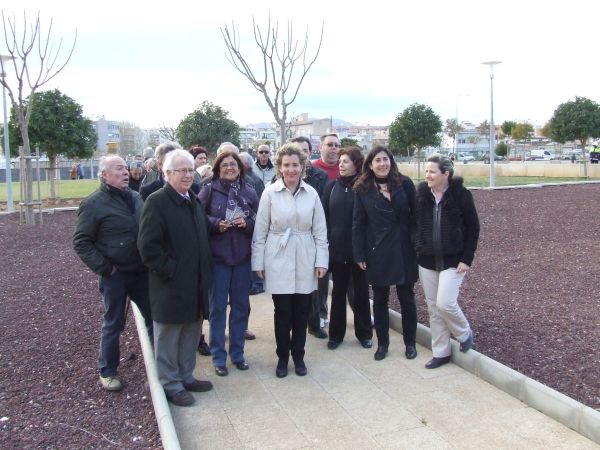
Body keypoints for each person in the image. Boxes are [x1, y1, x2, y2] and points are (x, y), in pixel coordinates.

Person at [137, 149, 214, 407]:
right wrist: (171, 270)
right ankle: (170, 384)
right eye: (182, 170)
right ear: (167, 173)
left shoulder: (193, 200)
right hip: (170, 284)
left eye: (191, 170)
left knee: (191, 331)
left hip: (195, 283)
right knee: (169, 336)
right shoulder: (157, 202)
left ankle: (185, 375)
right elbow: (148, 248)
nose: (188, 175)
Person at [73, 155, 153, 392]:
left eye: (126, 168)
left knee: (154, 317)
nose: (126, 172)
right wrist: (106, 268)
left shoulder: (137, 198)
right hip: (115, 275)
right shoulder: (93, 204)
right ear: (104, 174)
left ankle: (160, 366)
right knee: (113, 323)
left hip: (141, 272)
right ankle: (107, 371)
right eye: (119, 169)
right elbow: (81, 242)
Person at [252, 143, 328, 378]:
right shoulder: (269, 193)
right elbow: (260, 229)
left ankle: (299, 355)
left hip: (305, 253)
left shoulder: (312, 193)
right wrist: (258, 262)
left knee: (302, 310)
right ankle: (283, 357)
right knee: (282, 310)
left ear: (303, 166)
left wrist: (321, 261)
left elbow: (320, 230)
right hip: (278, 254)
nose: (291, 169)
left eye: (295, 165)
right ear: (280, 167)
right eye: (287, 165)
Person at [353, 146, 418, 362]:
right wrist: (359, 254)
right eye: (377, 160)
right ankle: (382, 344)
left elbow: (416, 216)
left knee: (407, 298)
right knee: (380, 300)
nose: (382, 164)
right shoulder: (362, 189)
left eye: (385, 159)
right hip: (377, 249)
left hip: (403, 248)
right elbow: (358, 224)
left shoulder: (405, 183)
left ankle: (410, 342)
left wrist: (416, 242)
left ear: (391, 161)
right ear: (370, 165)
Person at [415, 155, 480, 369]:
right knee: (434, 308)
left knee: (445, 302)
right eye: (426, 172)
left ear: (446, 174)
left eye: (432, 172)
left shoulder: (461, 195)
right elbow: (412, 224)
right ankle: (441, 352)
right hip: (427, 260)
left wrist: (466, 258)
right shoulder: (422, 195)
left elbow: (473, 228)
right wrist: (417, 244)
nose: (428, 176)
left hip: (454, 260)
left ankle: (464, 333)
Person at [198, 151, 259, 376]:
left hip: (242, 258)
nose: (230, 168)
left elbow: (259, 218)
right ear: (217, 168)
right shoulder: (208, 189)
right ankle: (218, 357)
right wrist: (215, 224)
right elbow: (198, 216)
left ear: (240, 168)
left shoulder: (249, 191)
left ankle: (238, 354)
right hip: (219, 259)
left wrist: (248, 223)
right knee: (217, 310)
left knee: (241, 308)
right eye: (225, 165)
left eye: (234, 164)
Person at [322, 146, 372, 350]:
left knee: (360, 294)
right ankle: (335, 335)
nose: (340, 164)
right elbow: (323, 218)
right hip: (337, 251)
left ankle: (364, 334)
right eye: (340, 161)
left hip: (359, 252)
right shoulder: (331, 187)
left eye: (345, 161)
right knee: (338, 294)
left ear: (356, 164)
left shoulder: (365, 188)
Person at [290, 136, 329, 339]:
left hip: (311, 237)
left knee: (314, 286)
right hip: (288, 240)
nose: (302, 154)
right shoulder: (282, 177)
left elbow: (321, 209)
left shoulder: (320, 177)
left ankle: (315, 323)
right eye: (298, 150)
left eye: (305, 150)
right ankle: (292, 323)